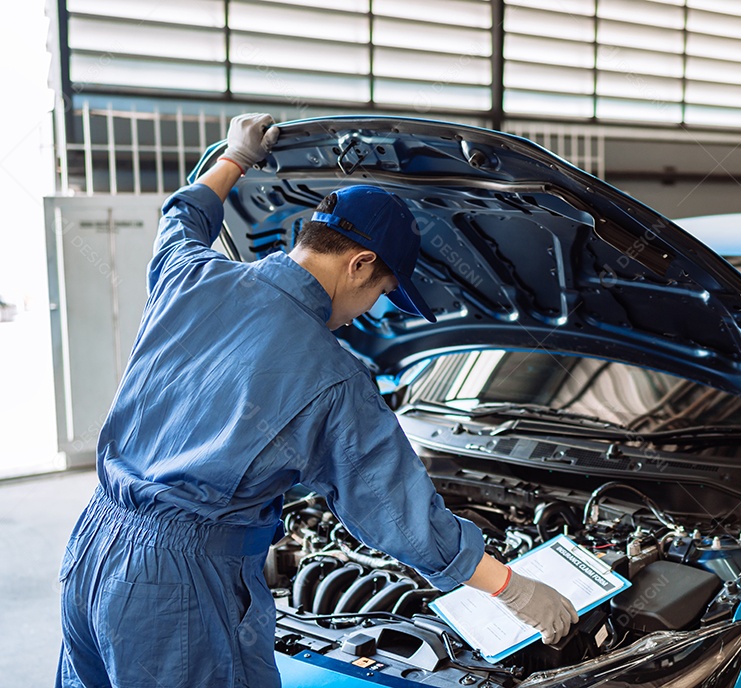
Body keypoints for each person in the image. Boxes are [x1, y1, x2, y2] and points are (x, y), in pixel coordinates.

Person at [56, 113, 577, 688]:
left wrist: (234, 158)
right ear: (359, 265)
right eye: (380, 293)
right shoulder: (332, 378)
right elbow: (400, 515)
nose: (370, 313)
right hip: (183, 585)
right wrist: (514, 587)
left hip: (94, 545)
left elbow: (182, 217)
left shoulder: (193, 278)